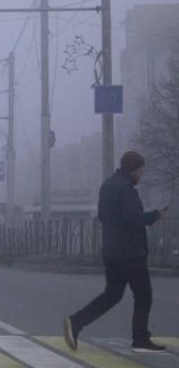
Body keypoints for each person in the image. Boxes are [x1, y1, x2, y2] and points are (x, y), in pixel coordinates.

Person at [64, 151, 169, 353]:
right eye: (142, 171)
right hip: (130, 252)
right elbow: (134, 219)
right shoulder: (126, 189)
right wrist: (155, 215)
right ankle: (140, 338)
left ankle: (75, 322)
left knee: (112, 294)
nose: (142, 175)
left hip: (111, 251)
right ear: (135, 169)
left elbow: (103, 216)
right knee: (143, 295)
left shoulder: (107, 185)